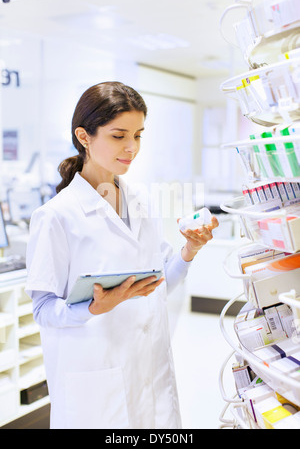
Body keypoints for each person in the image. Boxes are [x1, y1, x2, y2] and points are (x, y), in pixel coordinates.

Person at [25, 81, 218, 429]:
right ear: (84, 136)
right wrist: (94, 307)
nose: (132, 147)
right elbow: (43, 309)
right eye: (118, 136)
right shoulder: (56, 216)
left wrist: (189, 251)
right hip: (96, 384)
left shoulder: (140, 200)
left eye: (139, 135)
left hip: (149, 370)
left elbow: (155, 285)